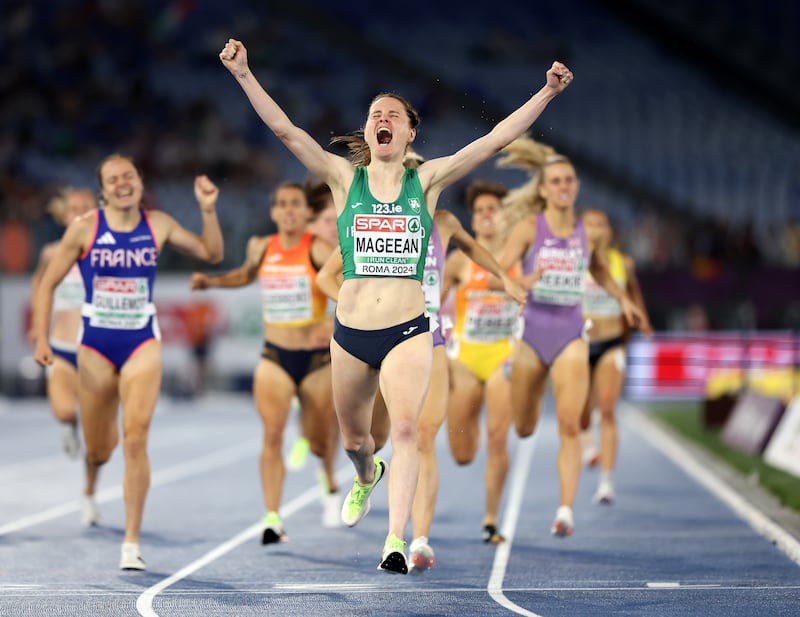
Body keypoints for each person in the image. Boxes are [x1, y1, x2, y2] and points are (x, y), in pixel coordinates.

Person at [219, 37, 572, 574]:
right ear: (367, 132)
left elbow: (496, 138)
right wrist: (244, 75)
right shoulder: (344, 178)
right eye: (373, 114)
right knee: (357, 439)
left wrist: (545, 93)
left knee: (405, 431)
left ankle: (395, 540)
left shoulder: (426, 181)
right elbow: (286, 131)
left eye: (393, 115)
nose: (381, 119)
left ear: (409, 133)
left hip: (409, 328)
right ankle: (366, 476)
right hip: (352, 331)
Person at [316, 161, 526, 575]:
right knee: (366, 441)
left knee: (419, 435)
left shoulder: (442, 222)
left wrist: (503, 274)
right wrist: (353, 305)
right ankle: (367, 475)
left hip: (425, 337)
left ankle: (416, 537)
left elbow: (473, 250)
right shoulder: (373, 221)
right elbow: (327, 277)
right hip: (374, 332)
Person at [32, 154, 224, 570]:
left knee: (136, 440)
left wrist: (208, 210)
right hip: (95, 346)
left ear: (140, 181)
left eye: (129, 176)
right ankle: (96, 462)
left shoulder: (158, 224)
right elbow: (47, 283)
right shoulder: (84, 230)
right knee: (101, 449)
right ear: (103, 191)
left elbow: (211, 252)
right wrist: (43, 338)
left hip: (141, 341)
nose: (123, 183)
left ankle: (130, 542)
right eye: (113, 179)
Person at [493, 135, 645, 537]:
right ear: (543, 190)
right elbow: (498, 274)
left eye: (569, 181)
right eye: (556, 181)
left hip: (571, 334)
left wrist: (621, 298)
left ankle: (565, 510)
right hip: (532, 335)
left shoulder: (587, 233)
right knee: (524, 427)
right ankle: (518, 387)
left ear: (576, 187)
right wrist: (521, 281)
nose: (564, 187)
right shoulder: (529, 227)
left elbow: (597, 269)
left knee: (569, 424)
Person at [190, 181, 339, 539]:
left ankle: (329, 481)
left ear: (306, 214)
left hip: (317, 359)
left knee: (321, 441)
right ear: (273, 212)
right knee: (271, 435)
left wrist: (330, 321)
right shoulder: (261, 246)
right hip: (275, 355)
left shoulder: (318, 249)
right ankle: (273, 516)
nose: (288, 211)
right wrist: (210, 282)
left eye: (295, 205)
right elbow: (244, 275)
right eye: (282, 204)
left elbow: (348, 284)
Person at [443, 180, 520, 545]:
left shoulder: (520, 258)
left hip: (504, 356)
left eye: (494, 209)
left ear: (505, 217)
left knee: (498, 439)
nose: (487, 215)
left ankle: (491, 520)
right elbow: (426, 298)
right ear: (472, 220)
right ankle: (468, 410)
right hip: (466, 359)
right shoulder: (459, 262)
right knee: (461, 454)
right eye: (480, 210)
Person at [579, 208, 652, 504]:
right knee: (581, 412)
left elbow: (633, 293)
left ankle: (606, 482)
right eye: (590, 225)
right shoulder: (574, 262)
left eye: (602, 224)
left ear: (609, 231)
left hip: (612, 342)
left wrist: (643, 318)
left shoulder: (624, 263)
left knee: (608, 409)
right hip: (579, 344)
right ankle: (587, 445)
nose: (597, 230)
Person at [28, 187, 97, 464]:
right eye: (74, 210)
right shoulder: (51, 253)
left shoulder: (106, 250)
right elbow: (38, 283)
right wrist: (38, 325)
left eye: (86, 209)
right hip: (61, 346)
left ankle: (90, 489)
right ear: (63, 216)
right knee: (65, 411)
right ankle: (70, 426)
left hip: (95, 349)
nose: (80, 215)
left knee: (96, 423)